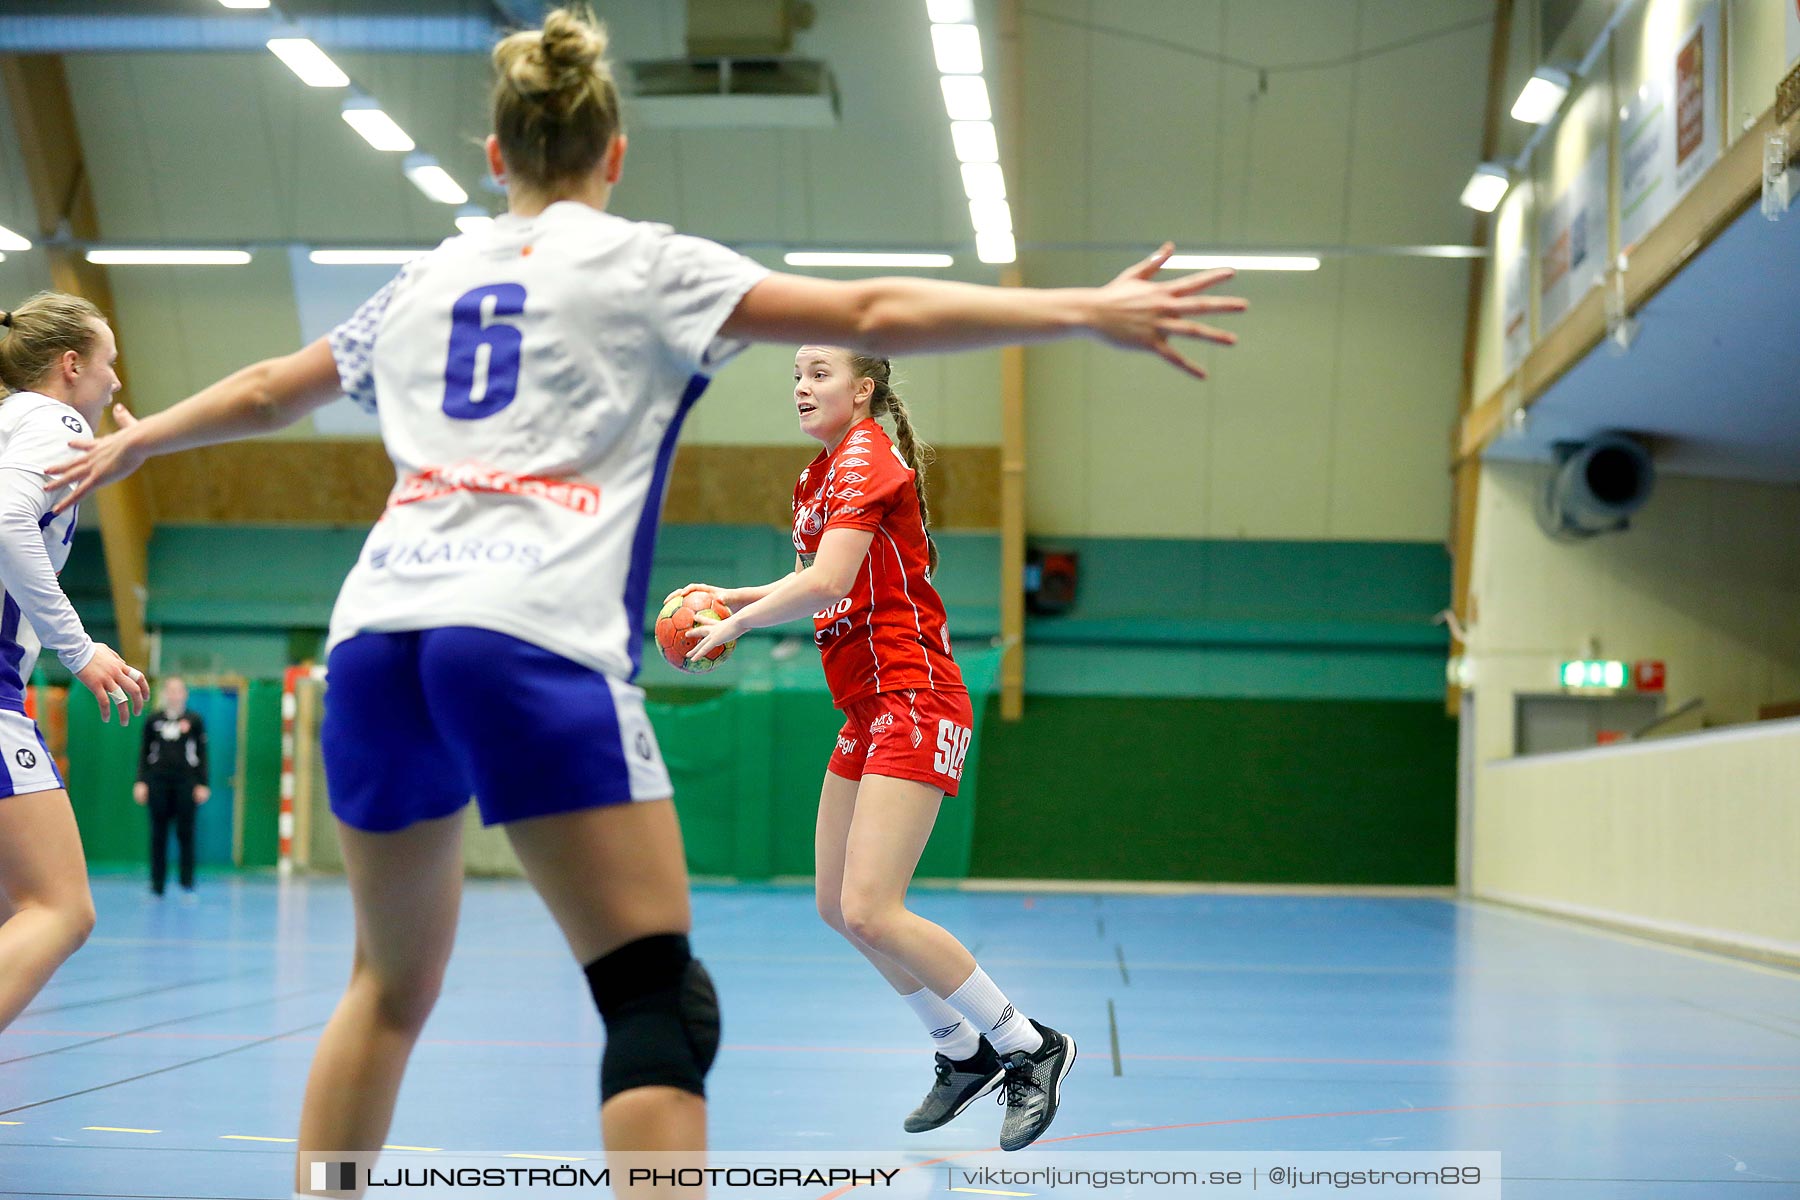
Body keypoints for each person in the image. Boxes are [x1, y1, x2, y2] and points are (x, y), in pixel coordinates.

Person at [44, 6, 1242, 1190]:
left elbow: (265, 388)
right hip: (525, 636)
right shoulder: (650, 264)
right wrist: (1086, 310)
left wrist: (137, 442)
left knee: (384, 991)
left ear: (495, 156)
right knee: (652, 994)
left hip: (373, 640)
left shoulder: (425, 278)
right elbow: (877, 313)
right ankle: (986, 1047)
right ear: (615, 157)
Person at [677, 349, 1067, 1149]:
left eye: (818, 372)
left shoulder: (865, 456)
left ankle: (1029, 1046)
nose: (800, 386)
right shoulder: (815, 478)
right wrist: (736, 601)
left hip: (915, 697)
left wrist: (737, 624)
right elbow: (818, 576)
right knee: (836, 906)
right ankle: (960, 1051)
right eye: (794, 374)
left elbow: (827, 583)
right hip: (865, 709)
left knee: (872, 908)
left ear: (862, 390)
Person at [0, 293, 148, 1032]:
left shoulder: (13, 426)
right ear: (70, 365)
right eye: (109, 363)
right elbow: (8, 516)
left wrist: (130, 455)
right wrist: (79, 646)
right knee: (61, 909)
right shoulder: (54, 420)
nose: (115, 381)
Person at [134, 676, 210, 898]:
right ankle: (157, 884)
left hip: (186, 783)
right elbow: (144, 753)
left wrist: (202, 783)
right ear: (165, 694)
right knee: (158, 833)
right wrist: (141, 781)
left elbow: (202, 754)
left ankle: (187, 882)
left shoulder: (195, 721)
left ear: (184, 694)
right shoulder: (153, 720)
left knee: (186, 833)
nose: (174, 695)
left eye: (179, 690)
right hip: (158, 782)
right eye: (170, 691)